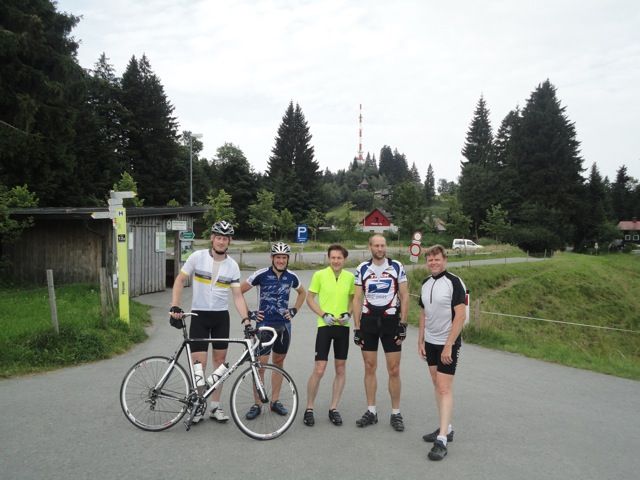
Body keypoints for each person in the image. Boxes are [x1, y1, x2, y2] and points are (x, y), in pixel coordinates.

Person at [170, 220, 251, 424]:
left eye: (225, 238)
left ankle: (215, 405)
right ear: (212, 238)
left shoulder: (232, 266)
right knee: (199, 364)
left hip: (220, 317)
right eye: (218, 237)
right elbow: (179, 280)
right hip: (199, 316)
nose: (221, 241)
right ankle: (198, 404)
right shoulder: (197, 257)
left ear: (229, 241)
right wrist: (175, 305)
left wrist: (246, 320)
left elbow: (237, 296)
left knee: (220, 364)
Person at [241, 241, 306, 420]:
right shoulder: (261, 274)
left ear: (287, 259)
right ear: (272, 258)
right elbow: (239, 291)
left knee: (278, 362)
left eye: (284, 257)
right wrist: (250, 313)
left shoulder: (291, 276)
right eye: (278, 257)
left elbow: (303, 293)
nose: (281, 260)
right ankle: (257, 403)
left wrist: (294, 310)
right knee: (260, 365)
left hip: (284, 326)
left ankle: (275, 401)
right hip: (265, 325)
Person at [352, 234, 409, 432]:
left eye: (383, 245)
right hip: (368, 322)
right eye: (376, 245)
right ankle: (371, 411)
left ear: (386, 246)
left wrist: (403, 324)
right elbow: (357, 299)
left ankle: (396, 413)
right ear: (370, 247)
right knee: (369, 367)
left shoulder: (397, 266)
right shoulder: (362, 268)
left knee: (394, 369)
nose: (380, 248)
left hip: (391, 321)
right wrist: (356, 328)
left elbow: (404, 295)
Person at [418, 244, 467, 461]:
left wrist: (449, 344)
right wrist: (420, 339)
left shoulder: (454, 282)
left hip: (448, 343)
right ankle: (446, 428)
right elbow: (423, 313)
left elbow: (460, 316)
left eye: (437, 259)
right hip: (430, 342)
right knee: (437, 385)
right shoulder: (425, 283)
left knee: (444, 388)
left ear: (444, 260)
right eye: (430, 260)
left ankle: (442, 440)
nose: (433, 263)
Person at [303, 244, 355, 427]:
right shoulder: (319, 275)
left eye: (339, 258)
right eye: (333, 257)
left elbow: (354, 299)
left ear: (344, 259)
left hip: (342, 326)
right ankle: (309, 408)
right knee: (320, 368)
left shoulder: (350, 277)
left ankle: (333, 408)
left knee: (340, 368)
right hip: (325, 325)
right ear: (328, 258)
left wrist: (349, 313)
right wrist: (323, 314)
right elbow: (309, 298)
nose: (336, 261)